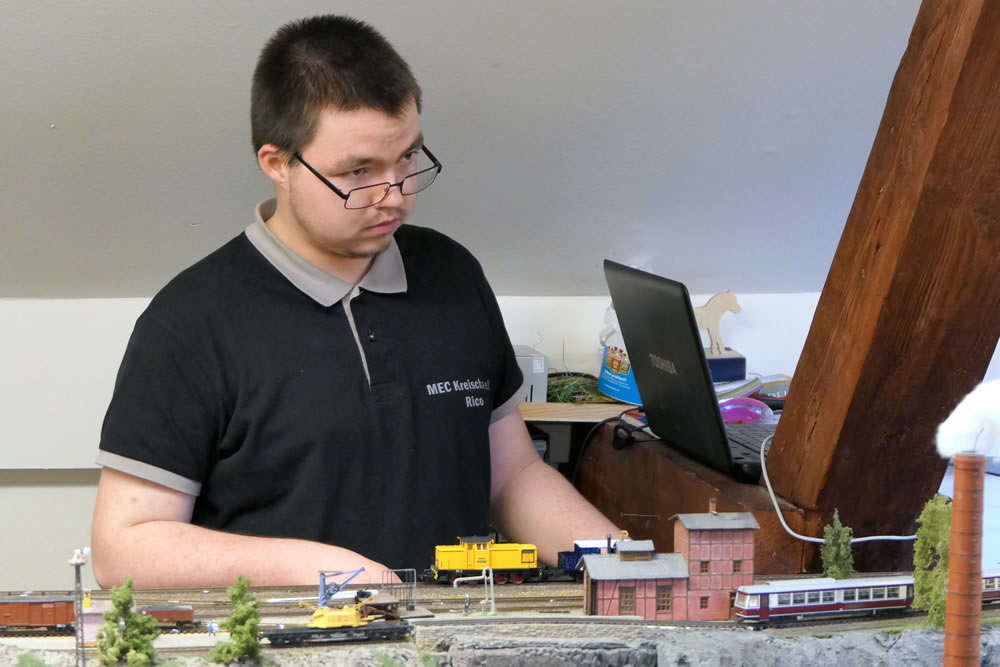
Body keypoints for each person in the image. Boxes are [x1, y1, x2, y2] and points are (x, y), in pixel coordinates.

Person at [91, 14, 618, 589]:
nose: (395, 197)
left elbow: (511, 476)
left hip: (453, 625)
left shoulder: (453, 274)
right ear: (278, 164)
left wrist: (623, 563)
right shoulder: (189, 323)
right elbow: (125, 549)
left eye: (409, 158)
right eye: (359, 172)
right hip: (293, 631)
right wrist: (325, 571)